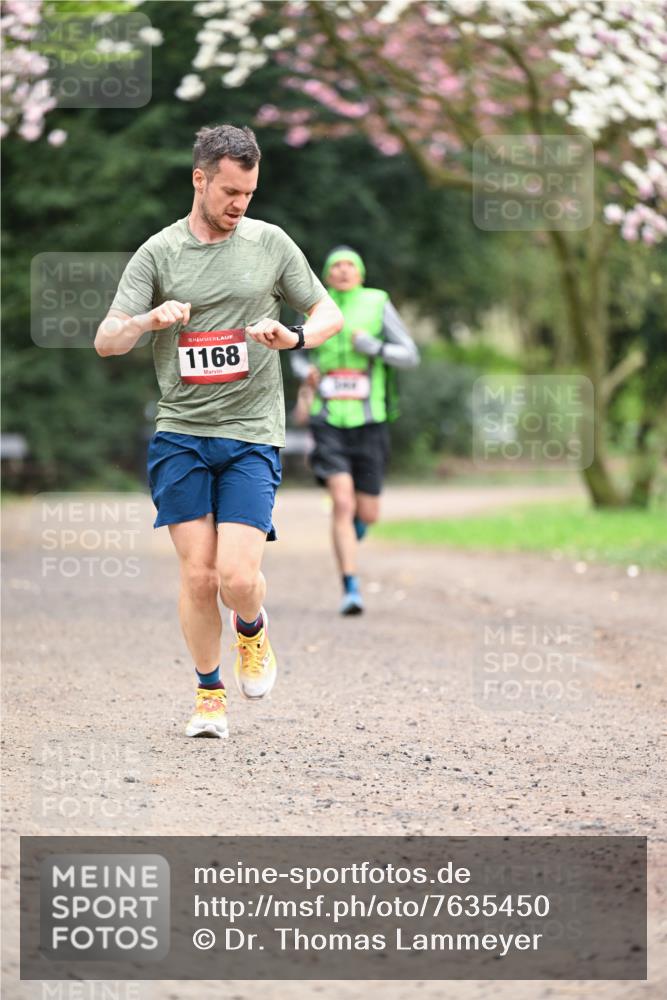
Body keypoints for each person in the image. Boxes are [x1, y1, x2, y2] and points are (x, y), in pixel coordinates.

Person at [95, 125, 342, 739]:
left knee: (236, 578)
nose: (240, 205)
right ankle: (209, 695)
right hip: (181, 433)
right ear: (200, 179)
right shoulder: (157, 255)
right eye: (230, 191)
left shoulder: (270, 244)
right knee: (199, 577)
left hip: (253, 432)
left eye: (250, 193)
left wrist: (297, 338)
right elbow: (107, 340)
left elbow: (325, 310)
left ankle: (252, 629)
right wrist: (150, 319)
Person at [292, 246, 419, 615]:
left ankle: (354, 531)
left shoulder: (378, 303)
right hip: (327, 419)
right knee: (342, 504)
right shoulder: (315, 305)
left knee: (368, 512)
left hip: (370, 421)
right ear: (327, 276)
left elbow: (410, 354)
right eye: (336, 266)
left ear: (360, 274)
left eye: (351, 266)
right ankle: (350, 587)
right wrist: (305, 372)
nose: (344, 271)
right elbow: (298, 351)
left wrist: (373, 347)